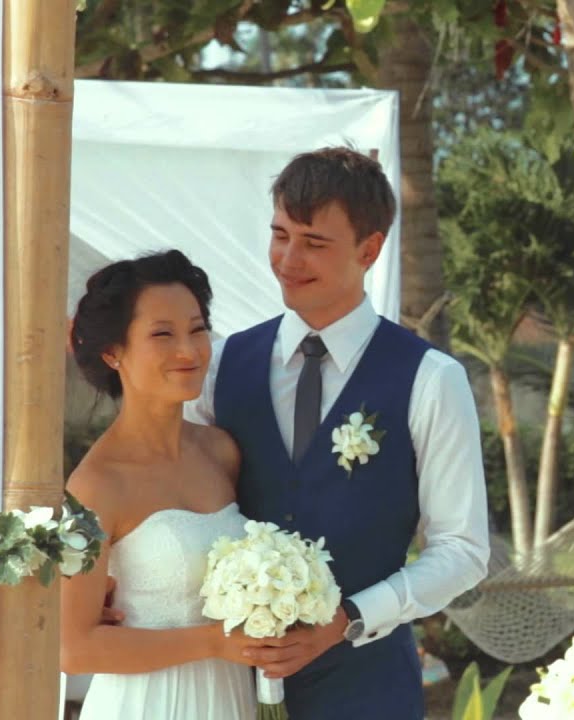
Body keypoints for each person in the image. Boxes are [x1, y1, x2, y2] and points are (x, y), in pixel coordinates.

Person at [183, 146, 489, 717]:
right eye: (280, 235)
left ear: (369, 249)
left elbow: (463, 550)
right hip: (226, 688)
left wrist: (351, 617)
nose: (288, 259)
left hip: (369, 689)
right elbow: (176, 497)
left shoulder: (431, 379)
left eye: (314, 243)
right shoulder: (220, 366)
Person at [61, 250, 265, 720]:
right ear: (113, 352)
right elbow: (72, 647)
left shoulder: (221, 452)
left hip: (230, 699)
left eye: (197, 329)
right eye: (162, 334)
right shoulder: (95, 485)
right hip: (146, 703)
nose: (189, 351)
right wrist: (212, 642)